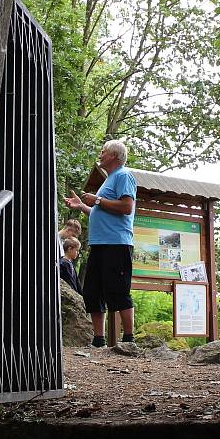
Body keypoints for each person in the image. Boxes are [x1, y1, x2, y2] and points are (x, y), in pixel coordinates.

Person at [64, 139, 137, 347]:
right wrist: (82, 206)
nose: (101, 154)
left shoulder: (123, 176)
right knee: (93, 291)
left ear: (114, 155)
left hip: (117, 243)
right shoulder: (109, 179)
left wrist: (96, 200)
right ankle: (98, 340)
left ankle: (129, 339)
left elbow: (126, 207)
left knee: (118, 290)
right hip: (99, 244)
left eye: (104, 151)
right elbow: (101, 210)